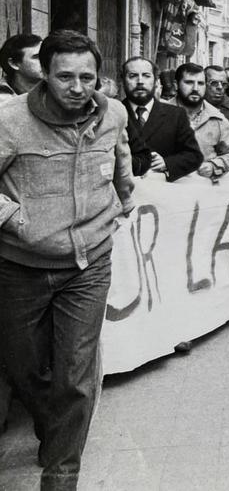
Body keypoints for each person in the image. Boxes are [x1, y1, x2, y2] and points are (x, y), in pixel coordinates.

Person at [0, 29, 134, 489]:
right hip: (20, 266)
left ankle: (61, 473)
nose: (77, 88)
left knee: (76, 375)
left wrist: (122, 202)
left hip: (90, 264)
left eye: (87, 77)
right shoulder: (9, 120)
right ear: (44, 75)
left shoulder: (113, 113)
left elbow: (121, 164)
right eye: (65, 77)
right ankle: (52, 429)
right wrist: (17, 220)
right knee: (24, 368)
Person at [122, 57, 202, 181]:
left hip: (163, 191)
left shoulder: (176, 115)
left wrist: (167, 163)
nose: (140, 81)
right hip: (123, 191)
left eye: (146, 76)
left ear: (156, 81)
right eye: (132, 76)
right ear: (123, 80)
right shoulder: (113, 114)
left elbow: (194, 156)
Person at [174, 63, 229, 179]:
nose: (195, 88)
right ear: (176, 85)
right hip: (165, 186)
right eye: (189, 82)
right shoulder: (158, 113)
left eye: (200, 83)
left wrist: (214, 165)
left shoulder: (217, 118)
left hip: (204, 187)